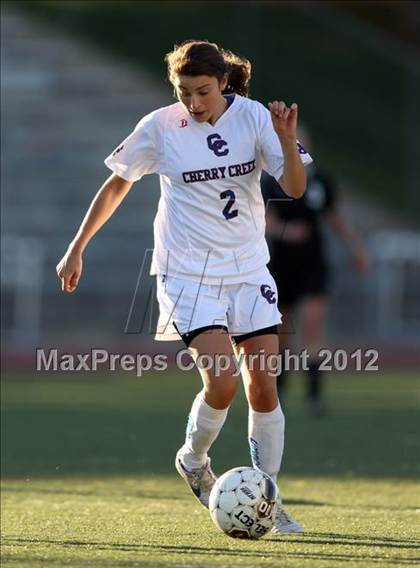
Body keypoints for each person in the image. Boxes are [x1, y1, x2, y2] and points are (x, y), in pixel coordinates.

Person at [56, 39, 313, 534]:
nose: (193, 103)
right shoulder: (160, 126)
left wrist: (285, 140)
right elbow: (117, 183)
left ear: (223, 83)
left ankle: (267, 498)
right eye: (183, 92)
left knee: (264, 387)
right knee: (223, 381)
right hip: (188, 273)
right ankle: (194, 459)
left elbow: (297, 189)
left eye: (202, 91)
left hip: (249, 270)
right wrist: (77, 246)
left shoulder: (256, 117)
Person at [262, 126, 369, 416]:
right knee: (282, 333)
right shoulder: (271, 180)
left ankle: (314, 395)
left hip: (313, 265)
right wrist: (287, 232)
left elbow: (335, 219)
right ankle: (279, 392)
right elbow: (264, 220)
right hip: (280, 266)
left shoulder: (321, 181)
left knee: (312, 326)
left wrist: (357, 249)